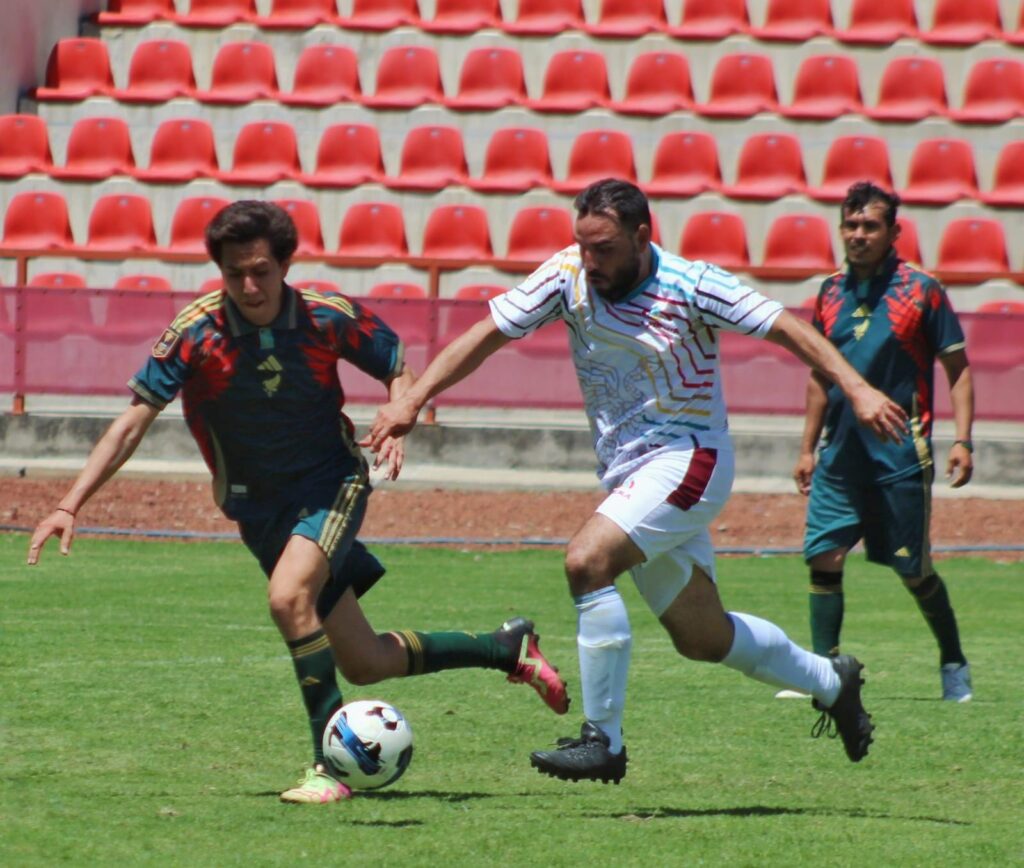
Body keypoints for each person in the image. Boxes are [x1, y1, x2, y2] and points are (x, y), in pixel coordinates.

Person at [363, 178, 909, 783]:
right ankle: (831, 682)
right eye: (583, 245)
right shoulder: (568, 275)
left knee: (587, 560)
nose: (590, 260)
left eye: (604, 248)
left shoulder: (692, 285)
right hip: (631, 473)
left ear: (642, 236)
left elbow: (785, 326)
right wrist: (413, 398)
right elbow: (489, 332)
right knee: (703, 638)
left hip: (690, 460)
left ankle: (604, 741)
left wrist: (856, 388)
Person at [26, 200, 568, 805]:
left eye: (261, 271)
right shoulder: (195, 333)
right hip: (257, 511)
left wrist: (398, 415)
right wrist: (70, 503)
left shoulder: (326, 318)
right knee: (364, 661)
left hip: (330, 484)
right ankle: (506, 649)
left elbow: (395, 365)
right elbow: (133, 422)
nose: (248, 287)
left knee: (289, 598)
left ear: (285, 265)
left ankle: (329, 768)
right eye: (234, 274)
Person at [791, 181, 974, 702]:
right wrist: (806, 448)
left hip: (900, 458)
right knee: (824, 557)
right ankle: (824, 674)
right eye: (850, 224)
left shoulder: (923, 291)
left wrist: (963, 440)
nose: (858, 234)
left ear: (894, 232)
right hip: (839, 457)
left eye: (870, 225)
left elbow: (958, 369)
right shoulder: (829, 292)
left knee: (913, 571)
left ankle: (954, 661)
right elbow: (819, 375)